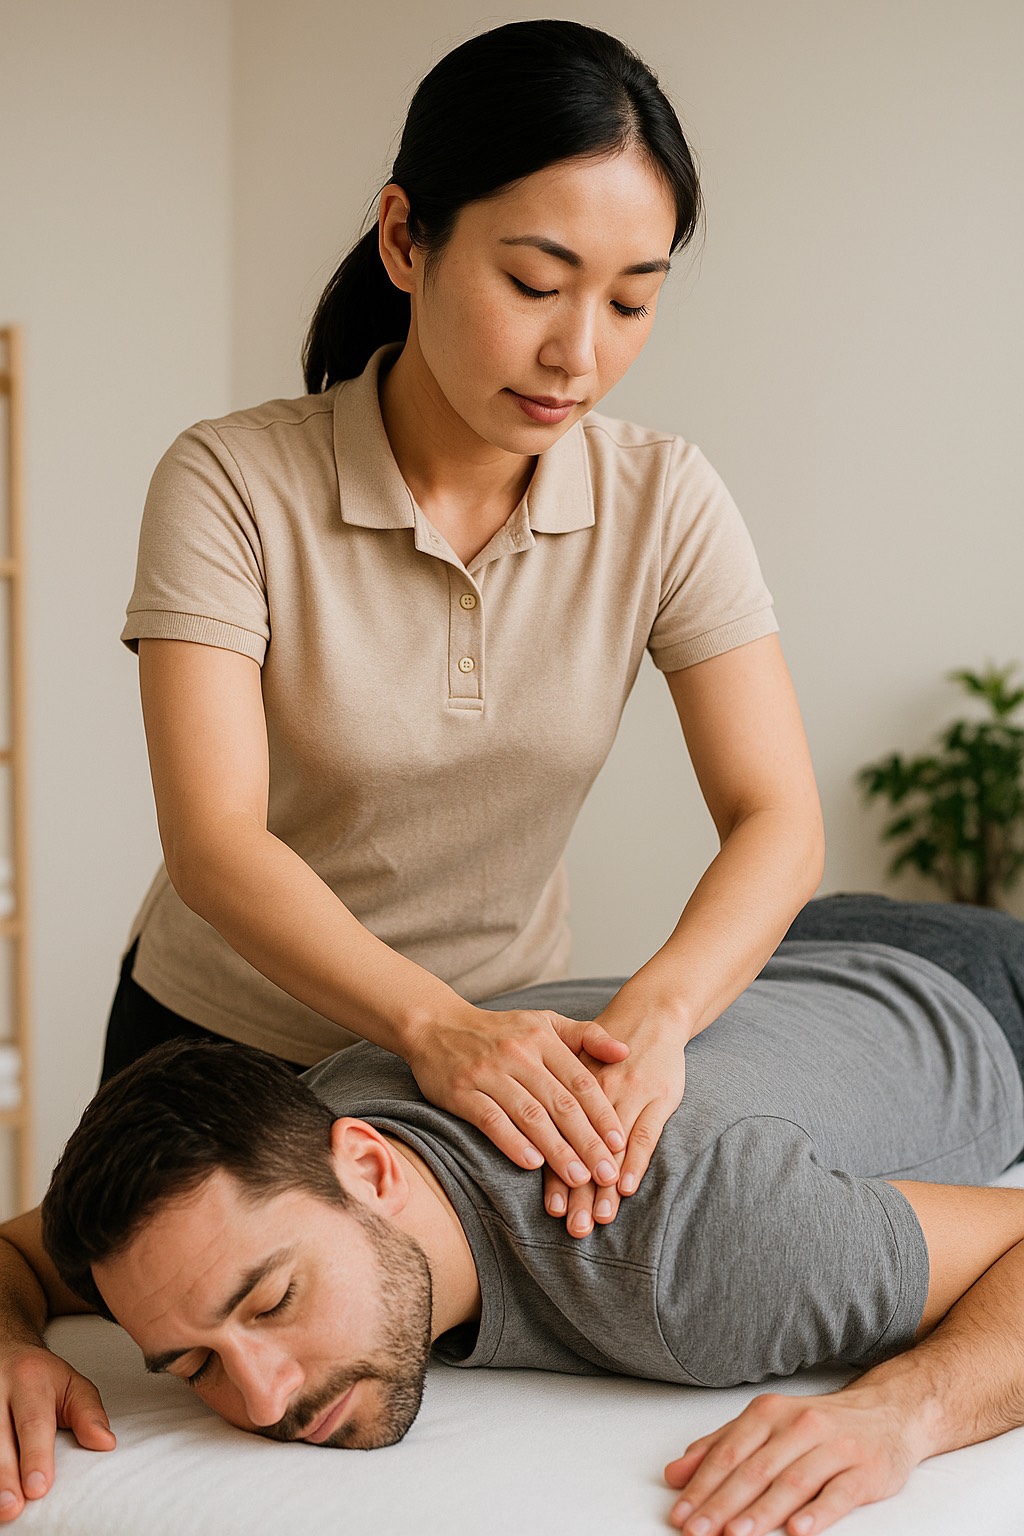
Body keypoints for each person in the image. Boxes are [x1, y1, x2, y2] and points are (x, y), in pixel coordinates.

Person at [107, 18, 824, 1237]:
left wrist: (654, 1017)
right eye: (534, 285)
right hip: (226, 1047)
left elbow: (779, 820)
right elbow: (213, 842)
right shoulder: (230, 481)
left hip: (492, 1060)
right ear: (404, 237)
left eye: (631, 302)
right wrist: (431, 1026)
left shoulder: (665, 499)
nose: (578, 354)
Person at [5, 895, 1024, 1535]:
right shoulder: (267, 1158)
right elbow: (17, 1253)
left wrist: (902, 1413)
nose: (265, 1398)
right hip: (802, 973)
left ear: (367, 1161)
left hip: (979, 989)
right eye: (192, 1366)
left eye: (272, 1301)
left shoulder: (696, 1255)